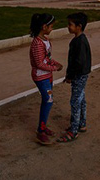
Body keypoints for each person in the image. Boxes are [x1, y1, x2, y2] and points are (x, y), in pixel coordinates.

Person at [57, 12, 91, 143]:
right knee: (81, 99)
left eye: (70, 24)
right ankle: (82, 123)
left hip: (79, 75)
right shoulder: (79, 40)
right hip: (81, 74)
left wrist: (70, 76)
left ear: (79, 26)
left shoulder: (79, 42)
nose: (68, 27)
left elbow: (78, 62)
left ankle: (74, 130)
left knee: (75, 101)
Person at [30, 13, 63, 145]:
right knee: (48, 100)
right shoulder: (37, 43)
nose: (52, 29)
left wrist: (55, 63)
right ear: (44, 27)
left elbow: (46, 58)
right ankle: (40, 131)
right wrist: (54, 68)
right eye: (51, 26)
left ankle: (43, 126)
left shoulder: (45, 41)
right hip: (41, 76)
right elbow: (39, 63)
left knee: (48, 100)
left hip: (47, 76)